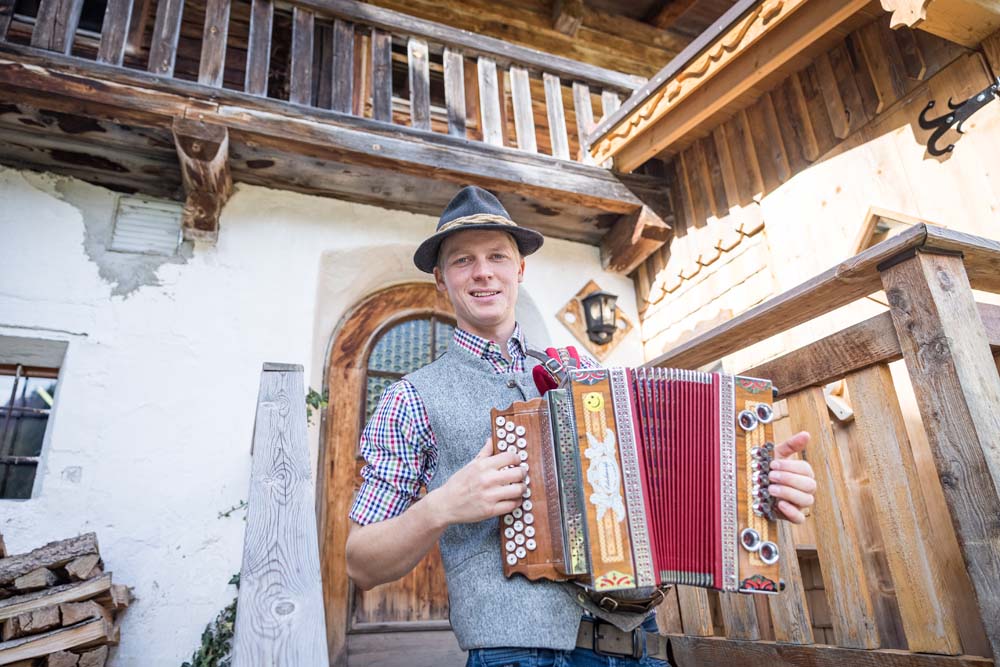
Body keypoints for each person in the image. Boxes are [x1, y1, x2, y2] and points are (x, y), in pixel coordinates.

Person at [345, 186, 817, 667]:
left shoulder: (589, 376)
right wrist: (442, 506)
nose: (483, 271)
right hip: (518, 656)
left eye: (497, 256)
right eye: (463, 260)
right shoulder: (410, 398)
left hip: (640, 646)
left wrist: (755, 488)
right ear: (441, 279)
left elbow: (665, 479)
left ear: (519, 268)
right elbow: (361, 561)